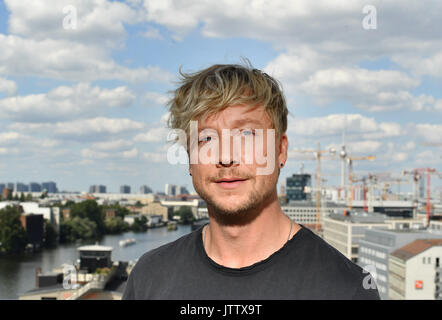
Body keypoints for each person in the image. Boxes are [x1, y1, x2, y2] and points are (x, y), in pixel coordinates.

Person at [122, 62, 380, 300]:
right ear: (190, 158)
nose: (226, 157)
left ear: (281, 150)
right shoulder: (149, 279)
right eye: (206, 139)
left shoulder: (346, 290)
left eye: (246, 134)